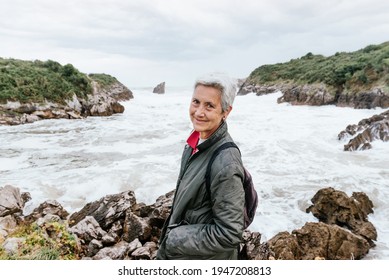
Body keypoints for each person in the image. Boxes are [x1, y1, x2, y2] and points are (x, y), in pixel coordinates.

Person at [156, 72, 245, 260]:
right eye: (196, 102)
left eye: (210, 105)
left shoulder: (226, 162)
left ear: (226, 112)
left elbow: (230, 233)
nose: (198, 112)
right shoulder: (194, 140)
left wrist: (174, 238)